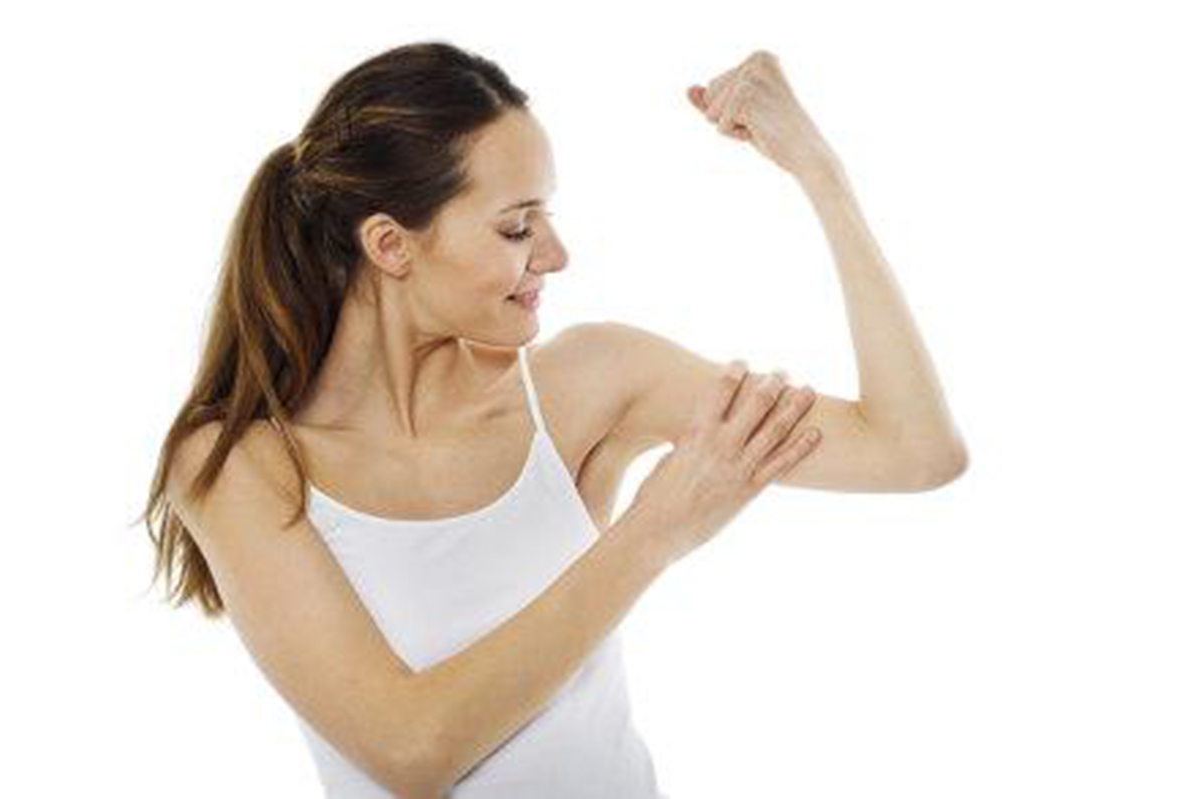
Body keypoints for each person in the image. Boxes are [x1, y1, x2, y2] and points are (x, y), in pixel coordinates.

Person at [137, 41, 966, 798]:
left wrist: (821, 173)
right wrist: (657, 530)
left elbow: (915, 450)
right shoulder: (238, 462)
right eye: (516, 226)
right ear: (390, 246)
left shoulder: (589, 381)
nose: (556, 255)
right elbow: (410, 750)